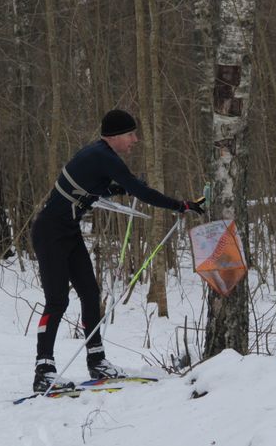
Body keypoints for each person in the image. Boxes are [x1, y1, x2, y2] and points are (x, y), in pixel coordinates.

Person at [30, 109, 204, 392]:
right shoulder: (102, 156)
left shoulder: (100, 156)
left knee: (90, 293)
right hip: (50, 233)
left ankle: (97, 360)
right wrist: (181, 205)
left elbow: (95, 189)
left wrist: (120, 189)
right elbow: (140, 191)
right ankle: (44, 370)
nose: (135, 140)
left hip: (68, 232)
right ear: (115, 136)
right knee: (57, 300)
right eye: (131, 134)